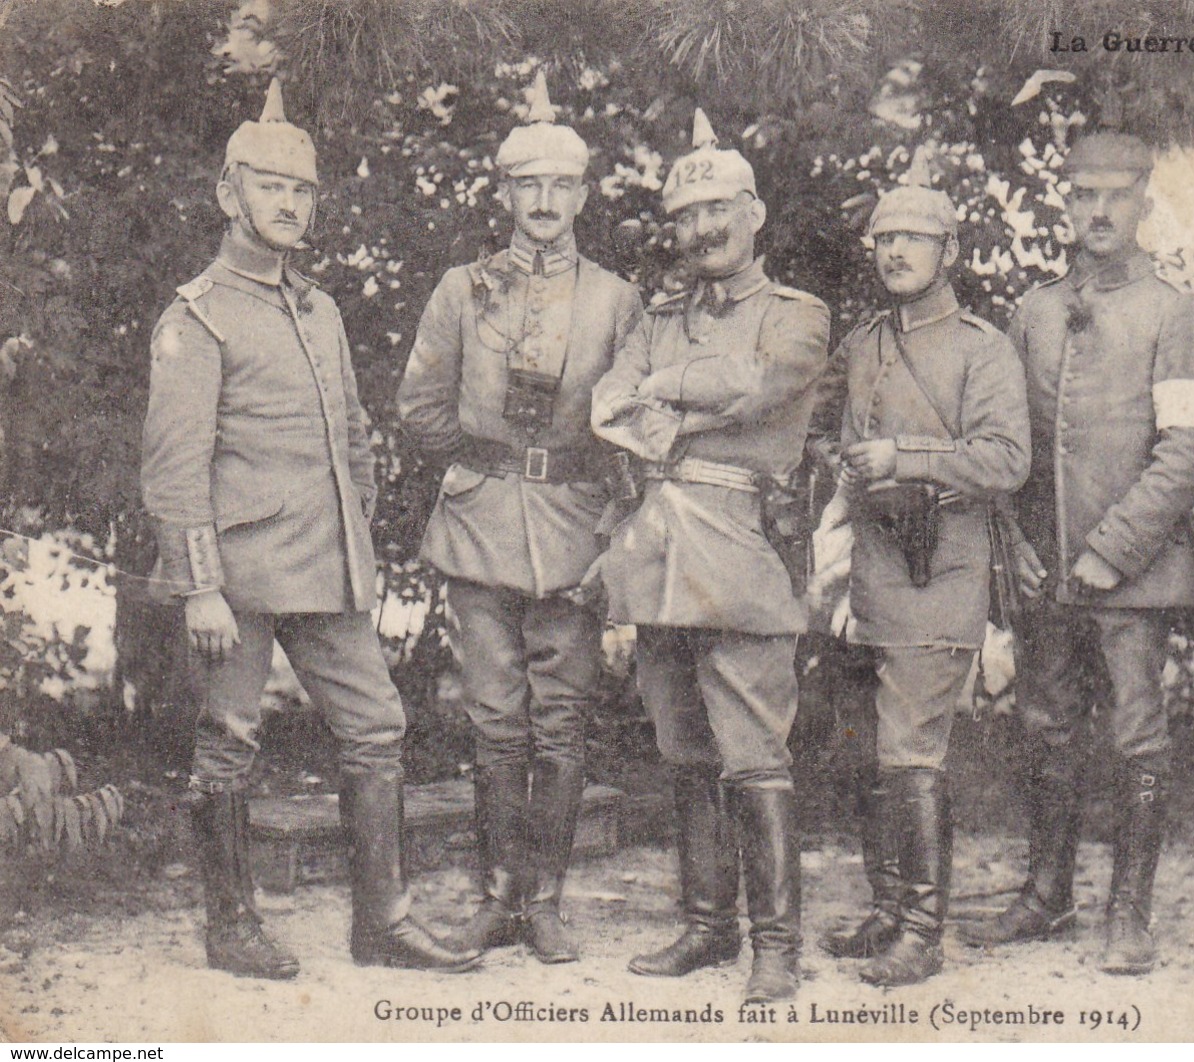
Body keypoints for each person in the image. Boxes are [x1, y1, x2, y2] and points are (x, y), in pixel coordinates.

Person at [141, 79, 478, 979]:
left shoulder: (317, 307)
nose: (289, 205)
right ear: (228, 195)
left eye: (303, 191)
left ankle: (382, 921)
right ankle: (231, 925)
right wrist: (201, 586)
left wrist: (351, 527)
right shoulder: (200, 314)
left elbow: (353, 436)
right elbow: (174, 469)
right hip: (239, 580)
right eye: (271, 187)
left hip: (325, 569)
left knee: (377, 726)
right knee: (228, 741)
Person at [395, 72, 643, 963]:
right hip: (479, 522)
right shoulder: (462, 290)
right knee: (493, 716)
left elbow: (635, 425)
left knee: (563, 718)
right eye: (526, 185)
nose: (543, 202)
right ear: (504, 193)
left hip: (576, 523)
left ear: (582, 195)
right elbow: (420, 406)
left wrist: (609, 522)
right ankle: (499, 894)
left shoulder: (616, 300)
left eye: (560, 186)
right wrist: (484, 463)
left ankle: (547, 898)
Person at [960, 128, 1194, 976]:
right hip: (1043, 572)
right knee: (1045, 727)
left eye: (1115, 195)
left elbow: (1185, 450)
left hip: (1129, 576)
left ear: (1144, 203)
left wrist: (1113, 551)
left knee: (1137, 735)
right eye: (1082, 196)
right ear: (1065, 204)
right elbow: (1005, 443)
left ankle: (1129, 913)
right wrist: (1015, 545)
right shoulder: (1032, 311)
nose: (1097, 211)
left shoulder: (1174, 313)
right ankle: (1046, 894)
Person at [590, 109, 831, 1004]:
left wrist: (661, 395)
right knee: (683, 751)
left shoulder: (797, 315)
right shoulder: (657, 316)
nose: (701, 230)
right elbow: (606, 405)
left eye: (717, 211)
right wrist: (665, 397)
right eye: (685, 218)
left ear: (754, 212)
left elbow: (759, 385)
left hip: (737, 552)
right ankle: (705, 926)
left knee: (753, 754)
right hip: (656, 552)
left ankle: (776, 945)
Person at [814, 154, 1030, 986]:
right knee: (868, 740)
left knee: (912, 747)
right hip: (867, 560)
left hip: (941, 560)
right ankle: (885, 904)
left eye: (914, 237)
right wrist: (838, 470)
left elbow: (1006, 458)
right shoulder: (865, 341)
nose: (895, 250)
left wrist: (904, 455)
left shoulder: (982, 349)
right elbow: (822, 429)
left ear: (948, 250)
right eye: (884, 238)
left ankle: (922, 928)